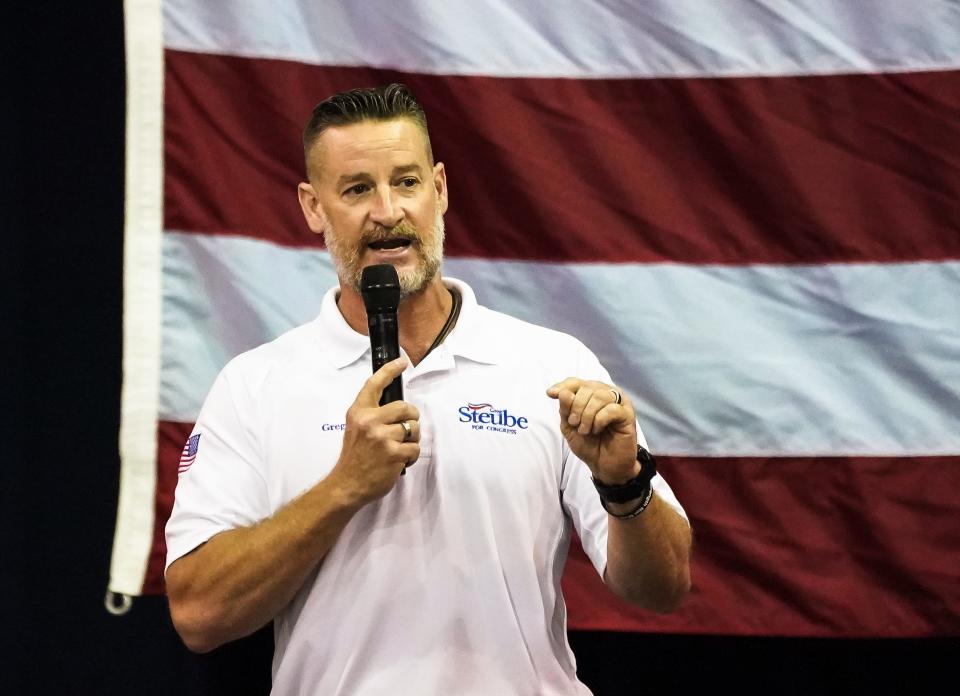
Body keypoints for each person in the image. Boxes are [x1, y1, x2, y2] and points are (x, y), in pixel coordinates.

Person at [165, 83, 692, 695]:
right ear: (313, 207)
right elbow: (199, 615)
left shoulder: (549, 363)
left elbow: (665, 587)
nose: (387, 212)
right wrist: (342, 489)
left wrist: (623, 484)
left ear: (439, 189)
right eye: (358, 188)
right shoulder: (255, 385)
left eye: (407, 182)